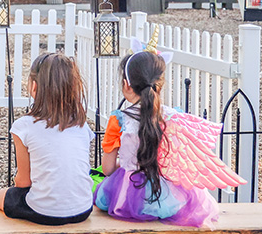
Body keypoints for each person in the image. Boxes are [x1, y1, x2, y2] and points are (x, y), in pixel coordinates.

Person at [94, 51, 219, 227]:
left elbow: (107, 169)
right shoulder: (174, 118)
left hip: (127, 197)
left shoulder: (118, 120)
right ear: (160, 84)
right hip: (169, 197)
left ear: (126, 85)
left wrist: (127, 164)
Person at [0, 53, 94, 225]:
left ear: (34, 87)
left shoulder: (24, 126)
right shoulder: (81, 124)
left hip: (44, 212)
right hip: (83, 208)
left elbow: (23, 182)